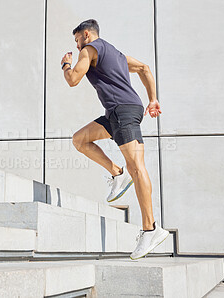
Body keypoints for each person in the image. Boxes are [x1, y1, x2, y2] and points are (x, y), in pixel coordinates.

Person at [60, 19, 169, 260]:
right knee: (80, 140)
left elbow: (73, 80)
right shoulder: (117, 54)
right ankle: (117, 173)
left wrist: (66, 65)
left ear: (86, 35)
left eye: (77, 41)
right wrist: (152, 99)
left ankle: (151, 229)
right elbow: (144, 68)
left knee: (138, 168)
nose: (77, 47)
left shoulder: (90, 50)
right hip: (117, 112)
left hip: (122, 111)